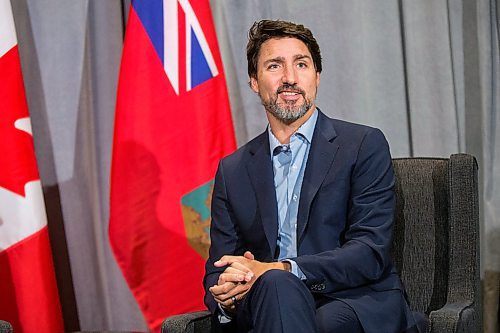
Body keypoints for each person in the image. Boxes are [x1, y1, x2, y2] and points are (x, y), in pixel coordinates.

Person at [204, 19, 421, 333]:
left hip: (350, 300)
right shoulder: (233, 169)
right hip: (268, 300)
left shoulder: (362, 145)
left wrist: (279, 268)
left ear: (317, 77)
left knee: (297, 303)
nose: (290, 78)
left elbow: (369, 252)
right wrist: (228, 295)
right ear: (254, 81)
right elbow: (218, 269)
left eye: (301, 64)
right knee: (277, 289)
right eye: (274, 66)